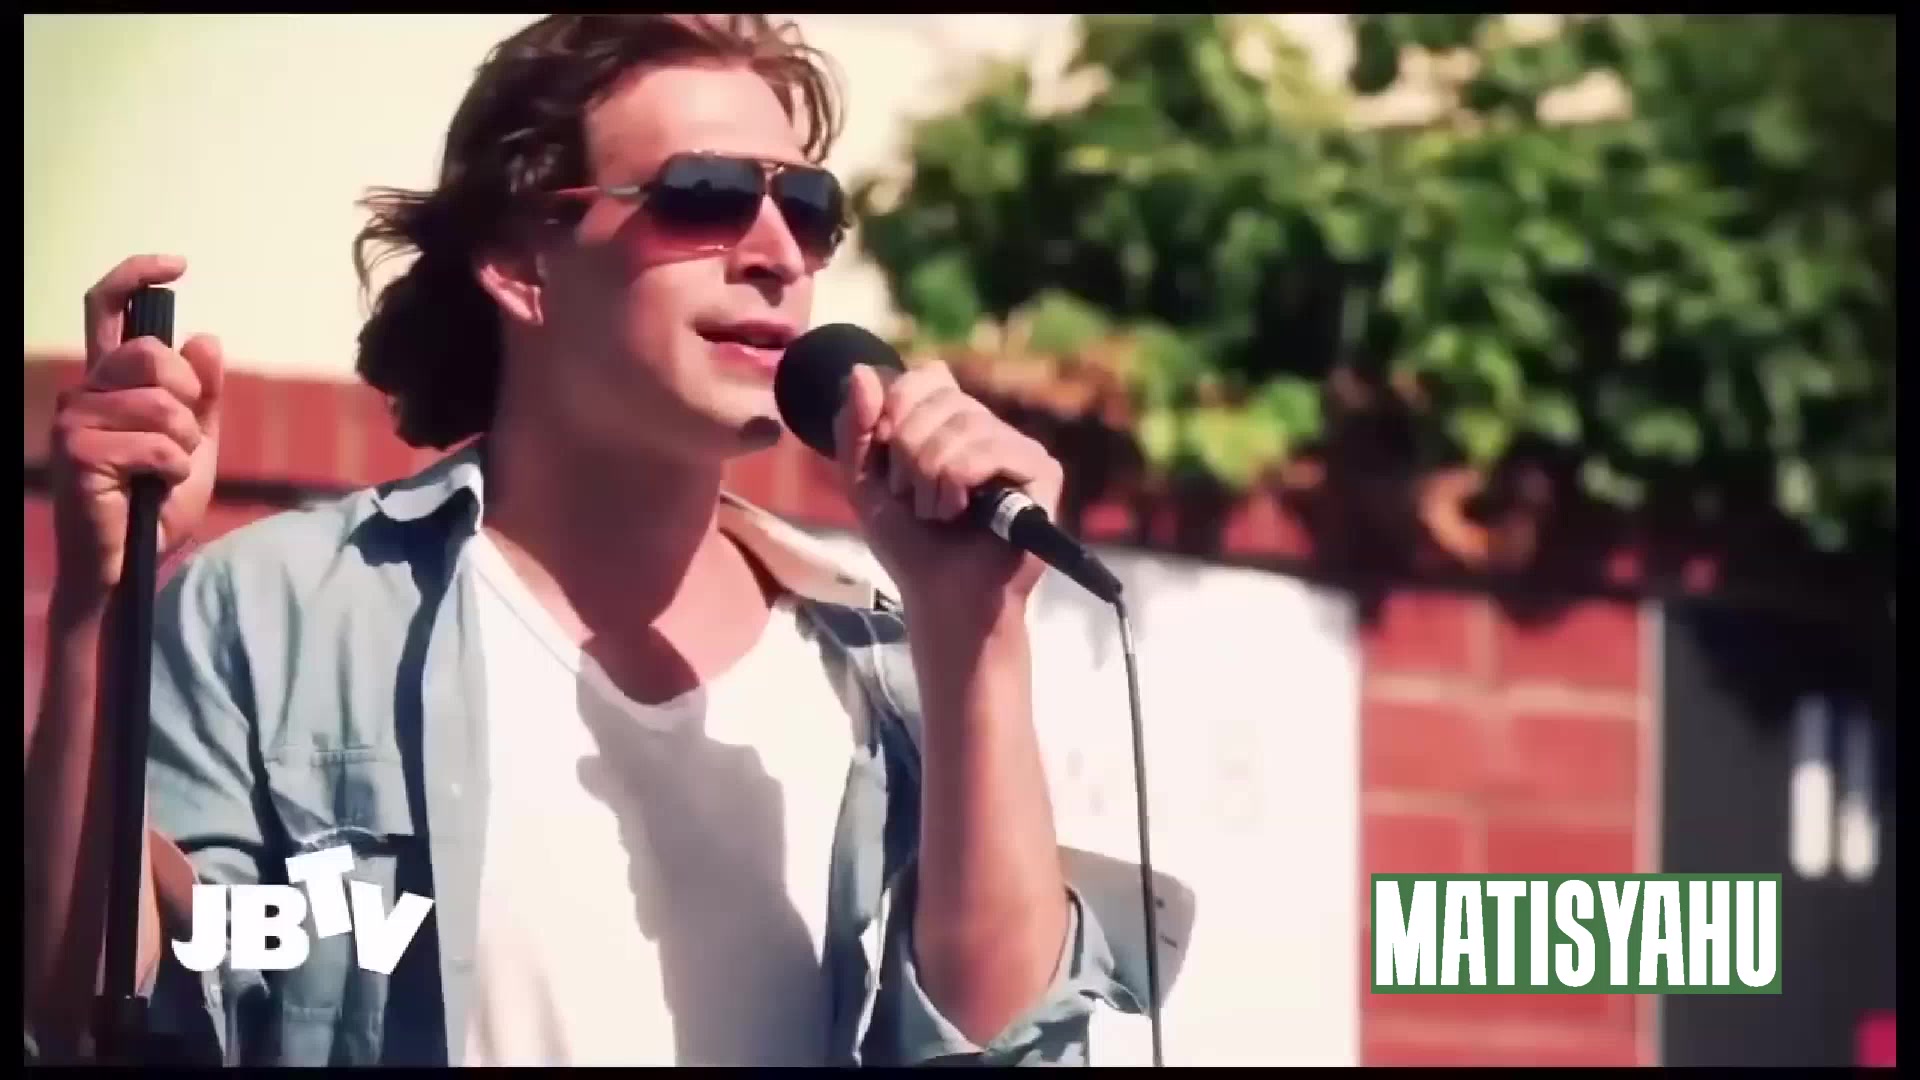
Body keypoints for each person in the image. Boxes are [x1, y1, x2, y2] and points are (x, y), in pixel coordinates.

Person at [24, 14, 1145, 1067]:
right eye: (703, 196)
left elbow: (1008, 1048)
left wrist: (976, 635)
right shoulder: (282, 619)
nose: (775, 253)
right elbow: (103, 1015)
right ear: (522, 265)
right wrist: (96, 605)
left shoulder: (885, 662)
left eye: (807, 209)